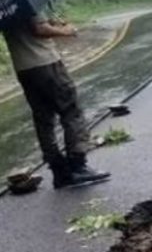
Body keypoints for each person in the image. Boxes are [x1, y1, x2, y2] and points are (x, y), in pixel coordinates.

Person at [2, 15, 111, 188]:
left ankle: (60, 172)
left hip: (24, 69)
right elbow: (39, 29)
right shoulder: (26, 0)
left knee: (43, 120)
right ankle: (78, 166)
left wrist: (51, 22)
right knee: (71, 112)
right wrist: (66, 31)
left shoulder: (5, 3)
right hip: (46, 63)